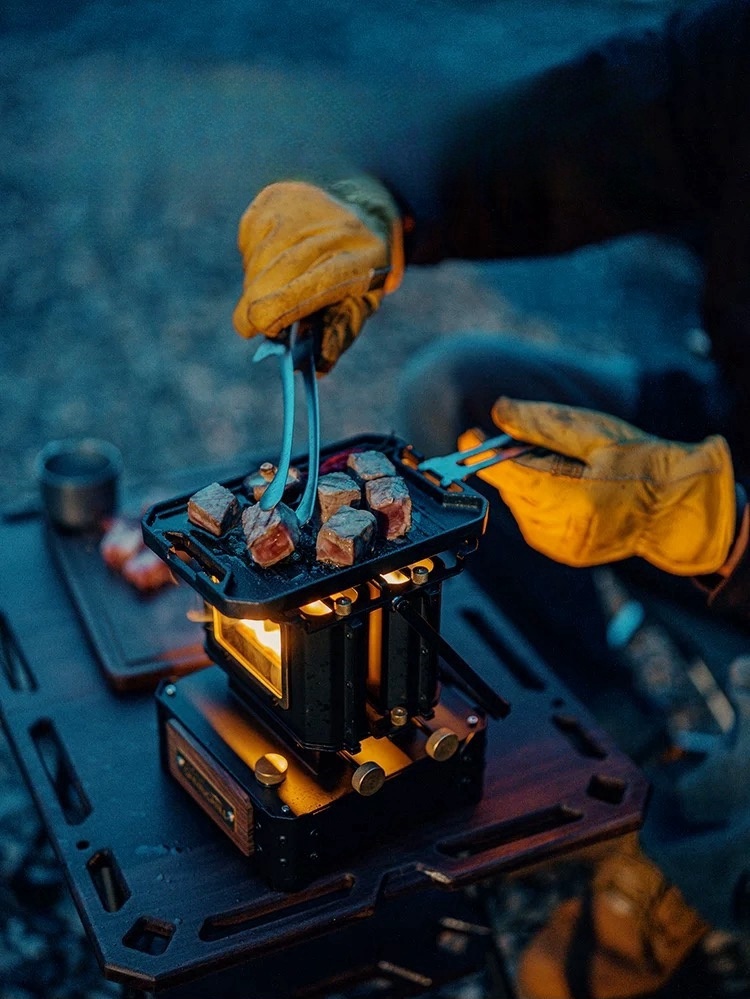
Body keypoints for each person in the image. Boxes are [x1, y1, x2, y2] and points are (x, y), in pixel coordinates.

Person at [231, 1, 750, 995]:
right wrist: (387, 195)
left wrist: (722, 524)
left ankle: (697, 867)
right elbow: (615, 112)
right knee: (457, 395)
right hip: (732, 428)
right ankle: (621, 757)